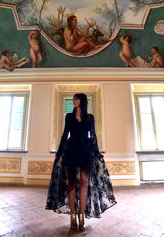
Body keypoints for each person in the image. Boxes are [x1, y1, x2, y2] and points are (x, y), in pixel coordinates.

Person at [46, 93, 116, 231]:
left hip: (86, 150)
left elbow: (93, 136)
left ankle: (81, 215)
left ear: (82, 101)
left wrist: (97, 152)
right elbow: (65, 134)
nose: (74, 101)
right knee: (71, 182)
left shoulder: (90, 118)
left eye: (76, 98)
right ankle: (73, 215)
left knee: (84, 181)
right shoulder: (69, 117)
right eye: (73, 98)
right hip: (71, 150)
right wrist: (59, 152)